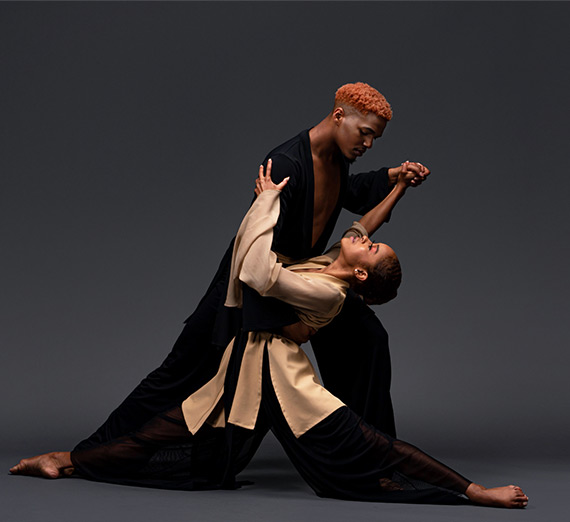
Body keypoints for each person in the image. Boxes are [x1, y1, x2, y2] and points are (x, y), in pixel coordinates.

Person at [11, 163, 529, 509]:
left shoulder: (328, 295)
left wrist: (266, 203)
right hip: (242, 369)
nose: (363, 239)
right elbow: (366, 223)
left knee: (371, 443)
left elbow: (257, 272)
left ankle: (475, 491)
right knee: (159, 435)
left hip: (282, 377)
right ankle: (65, 461)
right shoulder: (331, 267)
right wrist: (396, 187)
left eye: (372, 249)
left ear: (364, 275)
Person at [11, 82, 425, 475]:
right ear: (339, 116)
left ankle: (374, 461)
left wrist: (395, 178)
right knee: (179, 374)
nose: (367, 145)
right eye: (365, 134)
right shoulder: (286, 164)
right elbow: (257, 256)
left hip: (300, 280)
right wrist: (290, 316)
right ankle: (75, 457)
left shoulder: (336, 159)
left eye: (375, 140)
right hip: (252, 285)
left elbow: (348, 193)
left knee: (366, 338)